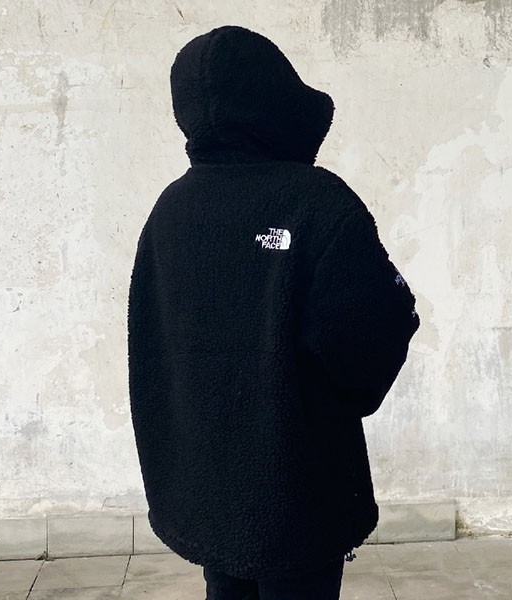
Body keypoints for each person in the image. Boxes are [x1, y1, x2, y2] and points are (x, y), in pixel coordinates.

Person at [127, 25, 420, 600]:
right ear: (275, 98)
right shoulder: (316, 202)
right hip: (300, 495)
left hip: (207, 493)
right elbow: (374, 336)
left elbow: (153, 349)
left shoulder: (171, 210)